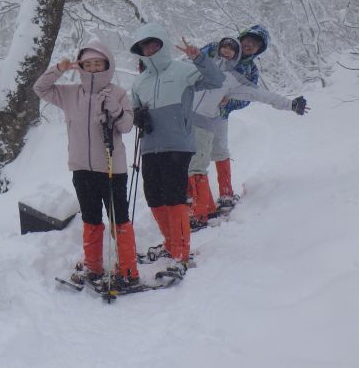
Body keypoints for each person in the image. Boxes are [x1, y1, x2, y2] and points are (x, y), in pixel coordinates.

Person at [33, 40, 140, 288]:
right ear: (81, 66)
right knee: (91, 219)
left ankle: (128, 269)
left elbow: (126, 127)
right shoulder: (69, 93)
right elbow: (40, 88)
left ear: (107, 65)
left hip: (113, 168)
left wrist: (116, 110)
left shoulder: (118, 93)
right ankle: (93, 267)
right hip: (81, 168)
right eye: (88, 64)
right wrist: (59, 68)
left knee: (119, 219)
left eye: (98, 64)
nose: (93, 68)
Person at [129, 22, 224, 275]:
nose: (148, 49)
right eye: (143, 46)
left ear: (162, 44)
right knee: (154, 197)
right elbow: (131, 112)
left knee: (174, 198)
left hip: (178, 144)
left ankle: (181, 253)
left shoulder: (183, 70)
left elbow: (216, 80)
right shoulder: (139, 83)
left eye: (153, 44)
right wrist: (137, 116)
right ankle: (171, 244)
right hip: (150, 147)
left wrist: (198, 57)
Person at [187, 36, 309, 227]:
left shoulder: (235, 79)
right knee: (185, 164)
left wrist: (290, 104)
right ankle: (197, 205)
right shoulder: (203, 64)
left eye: (232, 49)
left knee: (198, 166)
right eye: (224, 47)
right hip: (182, 121)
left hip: (205, 123)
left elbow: (260, 94)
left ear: (237, 55)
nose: (227, 51)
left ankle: (203, 212)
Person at [210, 24, 270, 204]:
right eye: (248, 40)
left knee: (220, 151)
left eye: (256, 44)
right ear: (241, 38)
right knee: (191, 153)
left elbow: (248, 97)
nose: (250, 45)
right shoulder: (217, 48)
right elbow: (192, 64)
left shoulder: (250, 69)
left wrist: (229, 102)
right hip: (195, 111)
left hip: (220, 114)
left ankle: (226, 195)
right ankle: (191, 195)